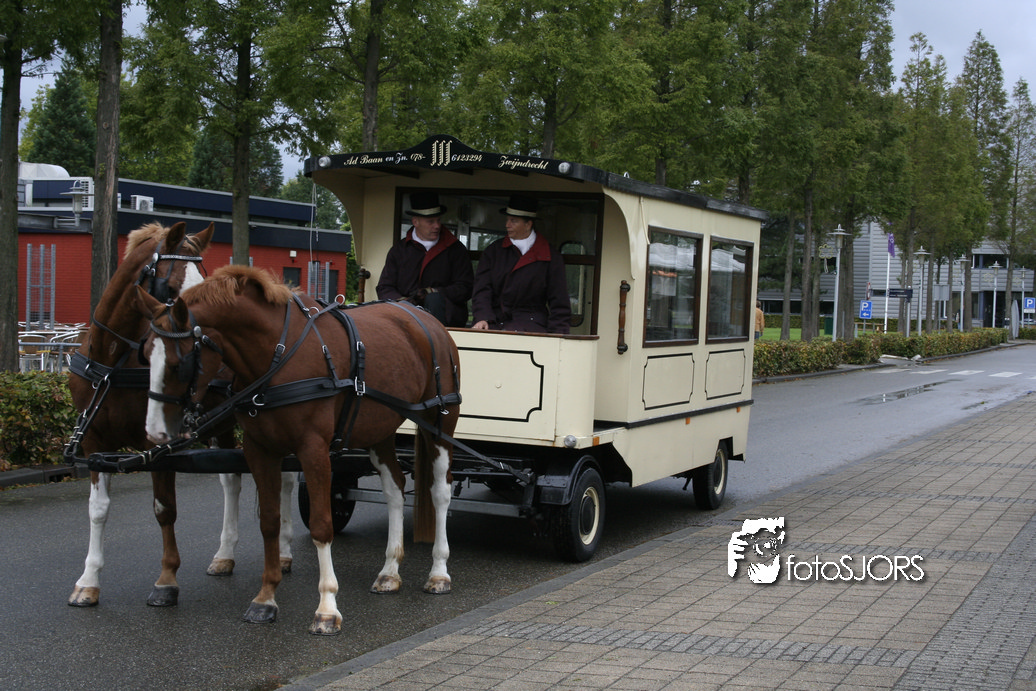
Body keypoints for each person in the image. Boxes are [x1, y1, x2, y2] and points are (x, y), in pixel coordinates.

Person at [471, 195, 571, 334]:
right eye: (507, 220)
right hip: (493, 322)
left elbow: (559, 302)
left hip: (532, 325)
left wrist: (557, 336)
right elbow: (482, 290)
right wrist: (482, 318)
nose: (507, 225)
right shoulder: (493, 251)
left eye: (513, 221)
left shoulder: (551, 257)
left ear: (528, 224)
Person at [376, 191, 473, 327]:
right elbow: (385, 287)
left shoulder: (456, 249)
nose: (437, 226)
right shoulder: (399, 250)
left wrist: (434, 292)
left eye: (438, 220)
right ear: (415, 222)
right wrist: (403, 302)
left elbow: (466, 287)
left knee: (434, 299)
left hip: (445, 320)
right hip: (405, 318)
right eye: (430, 221)